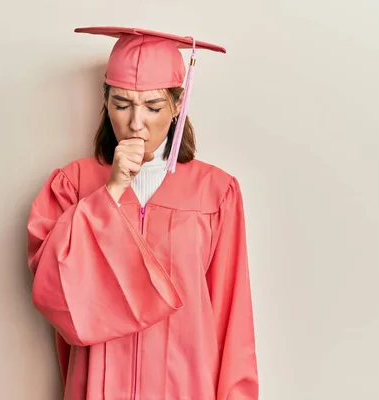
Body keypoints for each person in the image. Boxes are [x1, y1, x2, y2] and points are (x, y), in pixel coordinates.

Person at [26, 26, 259, 400]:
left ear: (177, 105)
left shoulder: (216, 193)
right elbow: (53, 291)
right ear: (105, 101)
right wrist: (112, 191)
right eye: (121, 105)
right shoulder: (73, 184)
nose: (136, 123)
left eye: (152, 107)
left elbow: (232, 321)